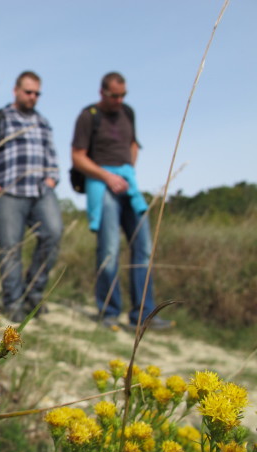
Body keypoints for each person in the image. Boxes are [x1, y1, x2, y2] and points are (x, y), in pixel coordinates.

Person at [70, 72, 173, 330]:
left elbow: (134, 144)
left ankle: (144, 314)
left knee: (144, 247)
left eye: (123, 95)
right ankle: (109, 312)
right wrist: (107, 176)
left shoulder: (128, 112)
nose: (119, 100)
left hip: (128, 183)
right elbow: (78, 157)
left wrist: (128, 169)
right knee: (109, 249)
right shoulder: (88, 116)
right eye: (114, 95)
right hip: (102, 183)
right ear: (102, 92)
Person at [0, 71, 63, 323]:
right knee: (10, 248)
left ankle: (33, 293)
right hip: (8, 192)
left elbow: (52, 156)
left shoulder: (42, 122)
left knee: (54, 233)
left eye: (37, 93)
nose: (33, 97)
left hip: (39, 191)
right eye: (28, 92)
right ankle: (13, 301)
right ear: (16, 91)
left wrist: (51, 178)